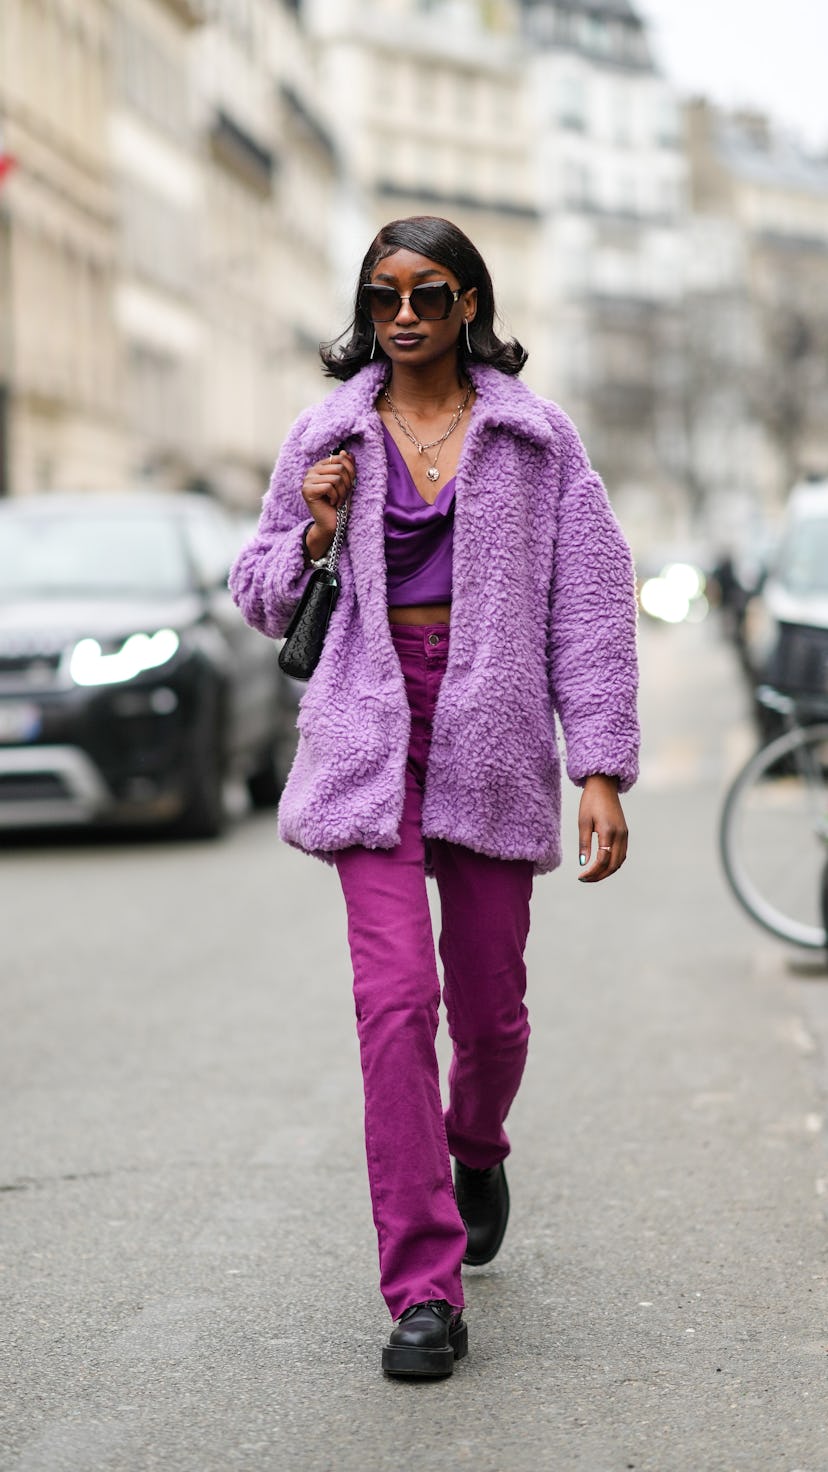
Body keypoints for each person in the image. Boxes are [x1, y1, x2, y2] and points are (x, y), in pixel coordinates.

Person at [229, 215, 639, 1380]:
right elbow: (260, 593)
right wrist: (312, 526)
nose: (402, 313)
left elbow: (594, 605)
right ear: (368, 310)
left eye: (427, 293)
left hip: (493, 730)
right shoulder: (327, 430)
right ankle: (423, 1287)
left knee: (493, 1007)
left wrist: (599, 763)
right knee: (398, 1002)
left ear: (469, 305)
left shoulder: (535, 439)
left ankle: (479, 1141)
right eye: (383, 295)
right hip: (368, 729)